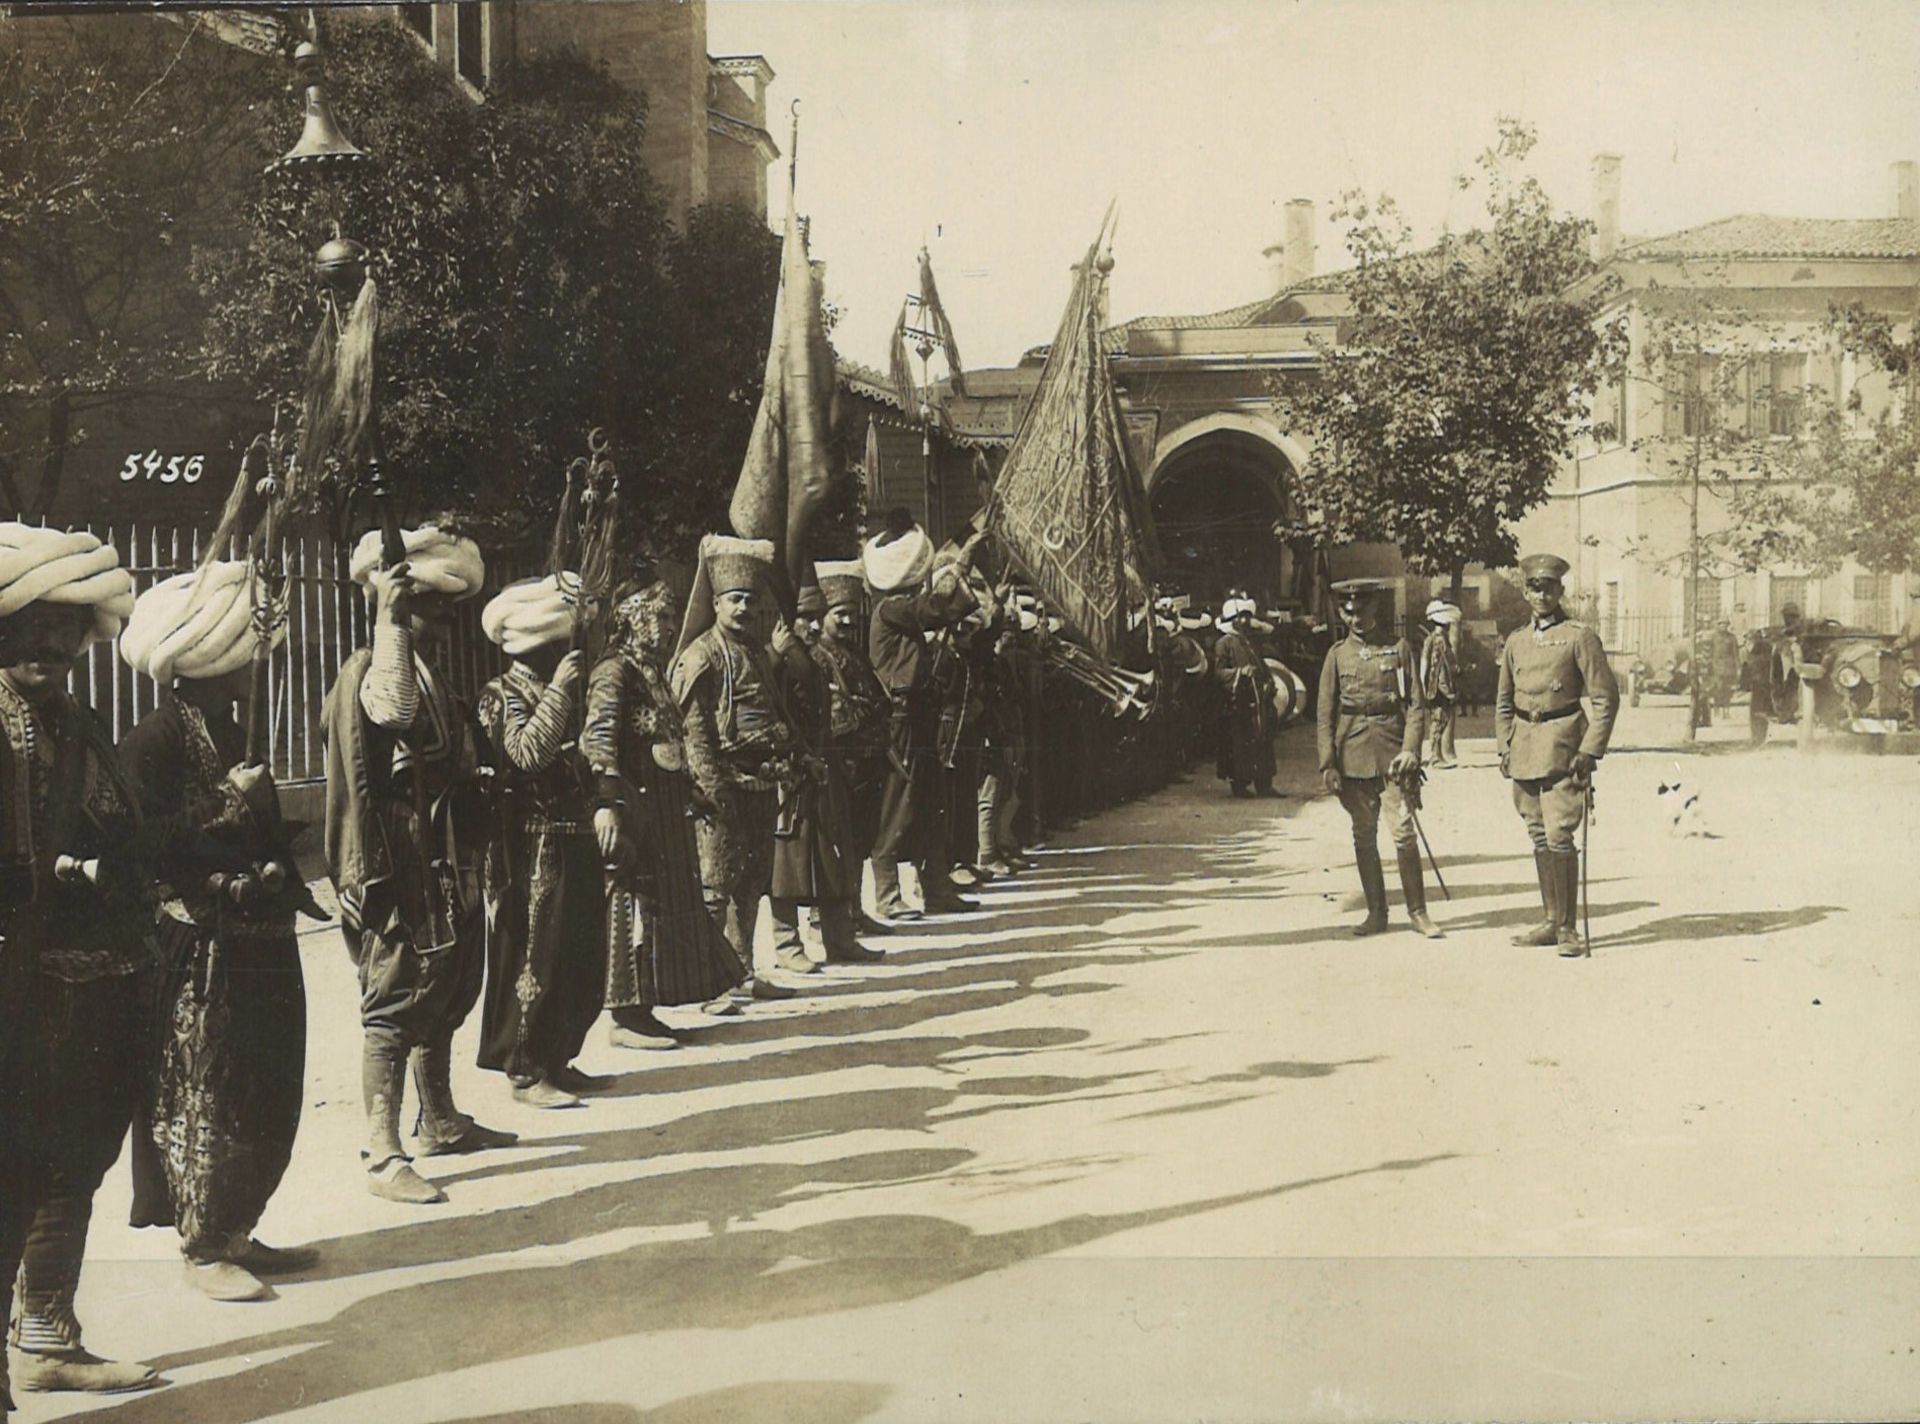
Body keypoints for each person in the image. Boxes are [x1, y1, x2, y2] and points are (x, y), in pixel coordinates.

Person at [118, 563, 316, 1303]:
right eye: (239, 657)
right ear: (203, 663)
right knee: (207, 1090)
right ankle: (202, 1245)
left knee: (267, 1083)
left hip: (259, 932)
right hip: (200, 946)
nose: (253, 668)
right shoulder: (153, 741)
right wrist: (223, 803)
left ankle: (237, 1227)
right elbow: (143, 846)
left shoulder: (231, 727)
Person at [0, 523, 157, 1398]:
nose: (51, 643)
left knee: (75, 1155)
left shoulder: (79, 722)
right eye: (31, 624)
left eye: (65, 626)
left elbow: (118, 824)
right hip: (10, 978)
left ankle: (46, 1335)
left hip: (89, 977)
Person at [323, 524, 515, 1207]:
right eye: (427, 607)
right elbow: (390, 710)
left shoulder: (432, 671)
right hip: (400, 859)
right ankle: (383, 1153)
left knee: (447, 986)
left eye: (441, 608)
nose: (440, 619)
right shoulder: (373, 668)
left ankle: (438, 1120)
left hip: (448, 849)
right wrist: (389, 619)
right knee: (398, 998)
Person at [582, 576, 747, 1046]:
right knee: (635, 908)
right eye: (662, 615)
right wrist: (609, 805)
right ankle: (626, 1016)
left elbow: (668, 739)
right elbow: (599, 741)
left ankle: (646, 1009)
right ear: (635, 617)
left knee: (662, 910)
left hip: (666, 810)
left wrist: (690, 793)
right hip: (635, 807)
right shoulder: (614, 671)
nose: (670, 624)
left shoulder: (651, 670)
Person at [474, 574, 605, 1109]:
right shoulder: (499, 695)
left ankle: (558, 1057)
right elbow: (526, 755)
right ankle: (526, 1071)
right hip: (529, 848)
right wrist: (559, 694)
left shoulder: (554, 689)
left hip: (570, 838)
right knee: (537, 956)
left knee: (578, 953)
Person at [673, 534, 811, 1000]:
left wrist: (796, 755)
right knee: (715, 888)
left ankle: (743, 973)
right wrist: (714, 791)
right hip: (721, 787)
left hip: (761, 783)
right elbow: (695, 733)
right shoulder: (701, 656)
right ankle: (711, 986)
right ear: (715, 602)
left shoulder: (753, 650)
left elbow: (775, 710)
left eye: (752, 600)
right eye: (735, 599)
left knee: (750, 885)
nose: (744, 608)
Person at [864, 509, 989, 918]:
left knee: (931, 803)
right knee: (898, 804)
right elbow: (933, 608)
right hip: (899, 719)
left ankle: (935, 887)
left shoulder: (899, 608)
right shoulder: (889, 609)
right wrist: (963, 561)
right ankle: (886, 895)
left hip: (919, 714)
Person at [1496, 553, 1621, 958]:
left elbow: (1605, 699)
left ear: (1560, 590)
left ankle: (1568, 929)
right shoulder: (1515, 641)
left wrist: (1589, 750)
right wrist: (1504, 745)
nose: (1541, 593)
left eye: (1549, 586)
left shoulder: (1579, 637)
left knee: (1559, 834)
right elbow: (1502, 702)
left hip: (1565, 748)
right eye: (1534, 586)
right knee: (1537, 833)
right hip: (1525, 748)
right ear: (1525, 590)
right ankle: (1550, 920)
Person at [1316, 579, 1439, 938]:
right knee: (1363, 835)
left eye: (1362, 609)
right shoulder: (1337, 655)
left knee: (1403, 832)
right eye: (1347, 610)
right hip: (1352, 754)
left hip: (1393, 755)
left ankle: (1418, 913)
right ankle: (1376, 913)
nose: (1355, 617)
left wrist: (1411, 750)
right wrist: (1328, 763)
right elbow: (1324, 714)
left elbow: (1416, 704)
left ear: (1375, 608)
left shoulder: (1398, 648)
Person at [774, 581, 878, 964]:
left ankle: (839, 940)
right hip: (790, 771)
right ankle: (787, 945)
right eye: (806, 619)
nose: (815, 627)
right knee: (787, 864)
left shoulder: (815, 658)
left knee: (834, 856)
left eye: (818, 619)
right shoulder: (774, 658)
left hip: (824, 764)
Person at [808, 559, 897, 934]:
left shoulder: (855, 653)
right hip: (840, 762)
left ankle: (855, 913)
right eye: (838, 614)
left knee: (860, 838)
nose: (847, 622)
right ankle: (828, 917)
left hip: (867, 761)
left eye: (849, 614)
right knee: (835, 843)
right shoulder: (817, 658)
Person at [1212, 595, 1277, 797]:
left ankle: (1264, 784)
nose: (1246, 622)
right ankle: (1239, 785)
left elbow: (1260, 665)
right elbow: (1218, 672)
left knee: (1262, 740)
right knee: (1240, 743)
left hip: (1257, 699)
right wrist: (1240, 673)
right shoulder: (1225, 643)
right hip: (1238, 701)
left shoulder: (1247, 641)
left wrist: (1268, 680)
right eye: (1242, 617)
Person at [1420, 599, 1461, 767]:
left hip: (1441, 686)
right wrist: (1424, 685)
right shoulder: (1435, 640)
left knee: (1441, 719)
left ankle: (1438, 755)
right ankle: (1436, 757)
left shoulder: (1436, 638)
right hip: (1437, 687)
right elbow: (1427, 664)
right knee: (1438, 719)